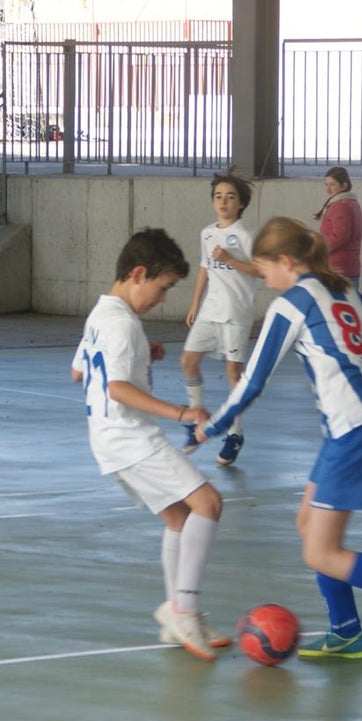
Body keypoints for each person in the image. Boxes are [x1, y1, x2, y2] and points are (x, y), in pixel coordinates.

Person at [195, 217, 362, 668]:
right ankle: (347, 633)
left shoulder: (292, 305)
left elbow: (252, 381)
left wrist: (212, 426)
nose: (264, 281)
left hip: (353, 431)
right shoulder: (352, 296)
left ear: (285, 262)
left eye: (264, 271)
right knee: (308, 523)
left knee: (322, 551)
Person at [71, 228, 229, 661]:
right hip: (130, 437)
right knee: (209, 505)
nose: (162, 298)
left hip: (107, 440)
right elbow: (118, 388)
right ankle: (186, 610)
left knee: (179, 516)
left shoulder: (103, 314)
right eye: (162, 288)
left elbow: (80, 373)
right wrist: (183, 412)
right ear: (138, 273)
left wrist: (142, 354)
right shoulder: (122, 323)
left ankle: (177, 614)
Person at [180, 168, 259, 465]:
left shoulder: (245, 235)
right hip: (209, 310)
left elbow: (260, 270)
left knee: (233, 374)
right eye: (218, 197)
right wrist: (194, 302)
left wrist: (230, 260)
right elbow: (204, 268)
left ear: (240, 203)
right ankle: (197, 420)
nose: (223, 202)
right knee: (188, 361)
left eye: (230, 197)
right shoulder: (207, 232)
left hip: (236, 311)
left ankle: (235, 433)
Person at [314, 166, 362, 288]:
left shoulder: (341, 205)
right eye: (326, 184)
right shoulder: (351, 203)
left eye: (332, 185)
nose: (328, 189)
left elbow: (340, 236)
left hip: (338, 268)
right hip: (348, 266)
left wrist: (318, 250)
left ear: (344, 186)